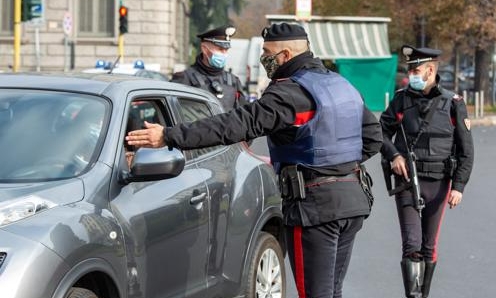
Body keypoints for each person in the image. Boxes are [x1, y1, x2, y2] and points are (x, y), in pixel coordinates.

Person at [127, 22, 382, 298]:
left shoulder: (288, 94)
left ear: (284, 56)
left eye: (267, 53)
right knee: (332, 291)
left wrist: (169, 135)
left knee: (316, 294)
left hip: (315, 208)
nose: (263, 59)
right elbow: (372, 136)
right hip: (352, 202)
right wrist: (338, 166)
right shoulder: (340, 84)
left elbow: (236, 125)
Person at [379, 45, 474, 298]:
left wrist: (458, 187)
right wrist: (394, 155)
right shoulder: (401, 99)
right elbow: (380, 132)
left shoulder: (453, 104)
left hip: (439, 184)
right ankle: (412, 295)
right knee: (411, 245)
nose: (411, 74)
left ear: (430, 70)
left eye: (416, 69)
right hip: (407, 182)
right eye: (410, 70)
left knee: (428, 245)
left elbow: (467, 150)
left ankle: (424, 294)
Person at [171, 25, 247, 111]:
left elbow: (242, 117)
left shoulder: (234, 81)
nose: (224, 54)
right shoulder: (184, 78)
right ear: (204, 49)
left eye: (226, 50)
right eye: (220, 49)